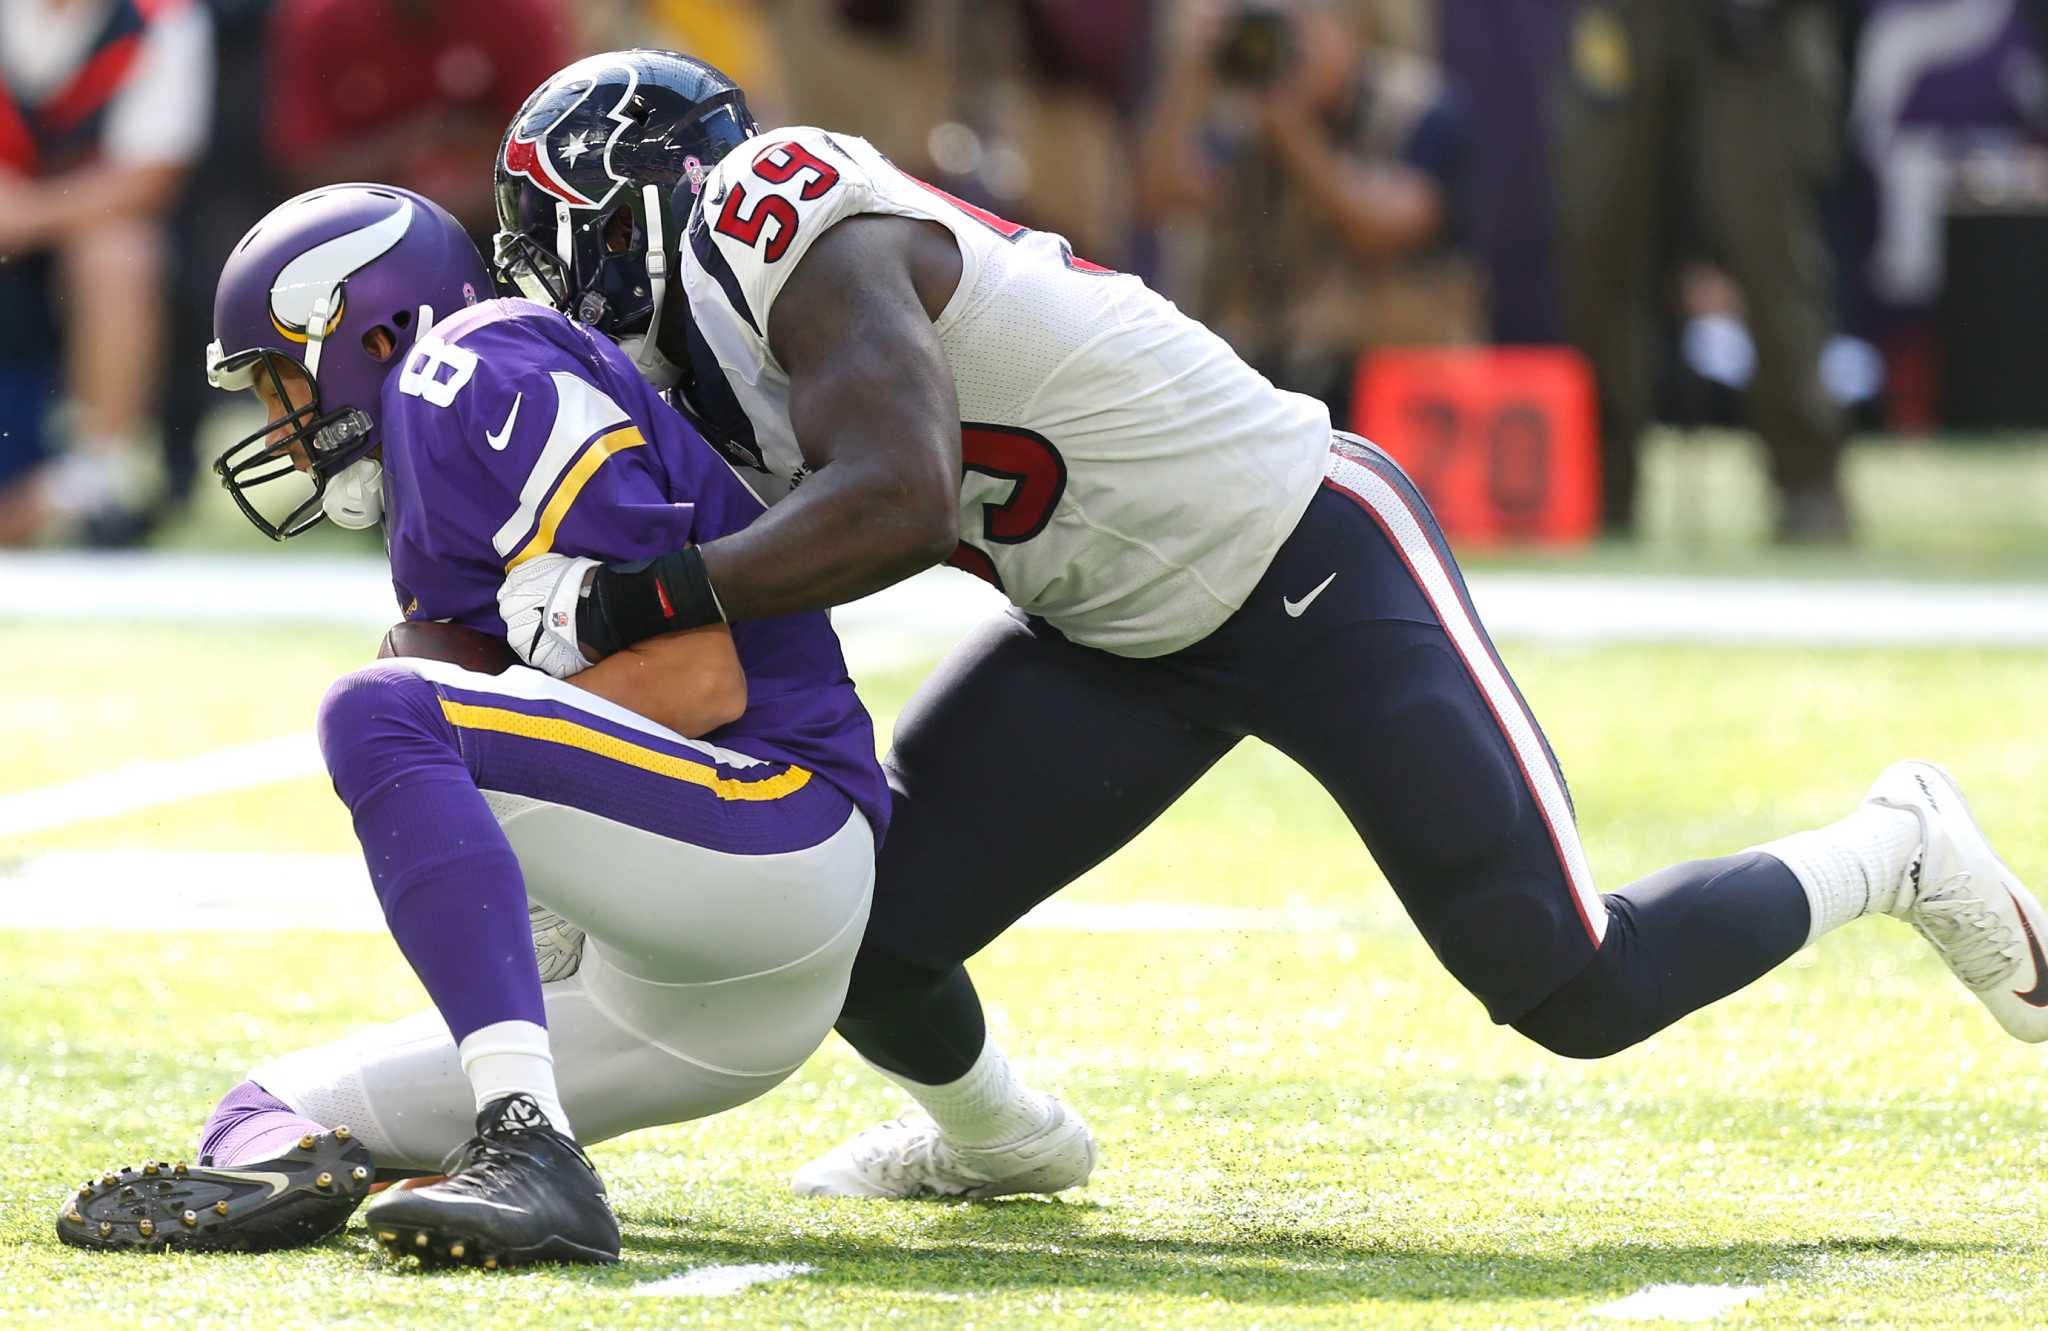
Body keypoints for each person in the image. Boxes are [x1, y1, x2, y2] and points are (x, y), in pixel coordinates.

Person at [491, 49, 2047, 1203]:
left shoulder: (784, 215)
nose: (534, 264)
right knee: (870, 934)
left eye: (550, 221)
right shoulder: (681, 363)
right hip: (1111, 628)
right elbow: (717, 617)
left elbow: (898, 499)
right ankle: (1006, 1143)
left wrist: (630, 602)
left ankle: (1895, 843)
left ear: (649, 193)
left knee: (1577, 983)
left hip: (1304, 552)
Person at [56, 183, 887, 1267]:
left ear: (377, 329)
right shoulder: (427, 475)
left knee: (388, 709)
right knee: (267, 1108)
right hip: (681, 997)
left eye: (278, 378)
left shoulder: (471, 370)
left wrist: (467, 742)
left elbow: (697, 676)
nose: (277, 424)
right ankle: (490, 1133)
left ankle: (525, 1138)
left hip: (774, 829)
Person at [1551, 0, 1850, 539]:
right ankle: (1600, 483)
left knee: (1768, 245)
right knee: (1599, 237)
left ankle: (1808, 483)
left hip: (1764, 25)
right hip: (1633, 20)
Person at [1136, 0, 1478, 424]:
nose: (1290, 51)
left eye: (1303, 27)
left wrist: (1293, 132)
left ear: (1349, 28)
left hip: (1395, 390)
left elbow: (1378, 229)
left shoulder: (1419, 108)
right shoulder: (1245, 118)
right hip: (1270, 382)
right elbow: (1160, 198)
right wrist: (1186, 78)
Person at [0, 0, 213, 546]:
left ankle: (98, 472)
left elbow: (148, 179)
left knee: (120, 253)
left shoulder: (162, 19)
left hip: (78, 246)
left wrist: (28, 214)